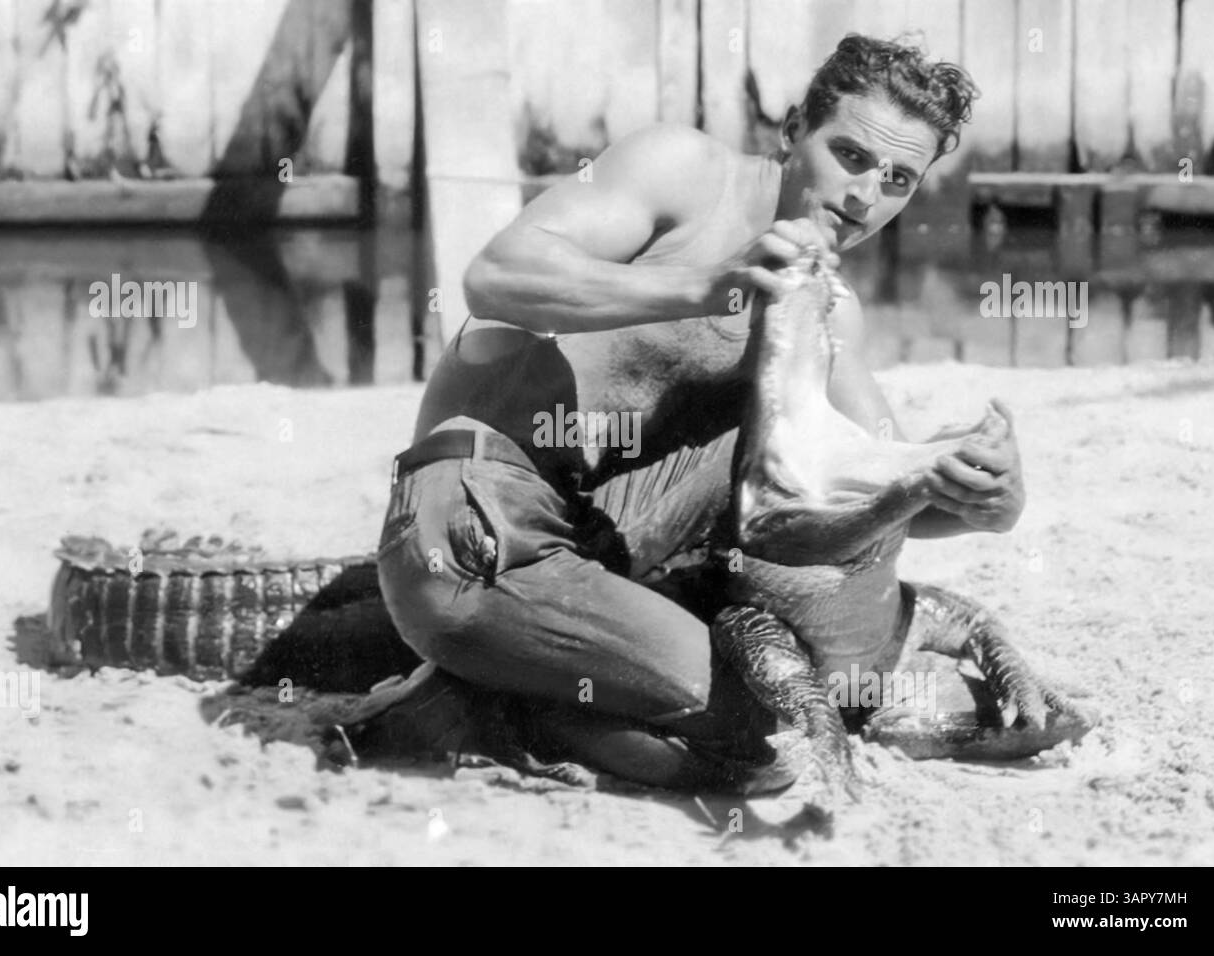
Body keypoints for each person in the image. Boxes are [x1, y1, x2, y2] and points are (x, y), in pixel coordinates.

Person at [372, 35, 1023, 791]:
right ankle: (465, 709)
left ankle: (491, 687)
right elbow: (495, 274)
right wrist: (709, 285)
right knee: (758, 736)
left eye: (899, 179)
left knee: (772, 714)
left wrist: (985, 496)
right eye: (849, 155)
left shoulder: (825, 310)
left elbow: (859, 491)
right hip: (470, 517)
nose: (865, 196)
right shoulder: (682, 172)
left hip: (593, 556)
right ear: (791, 132)